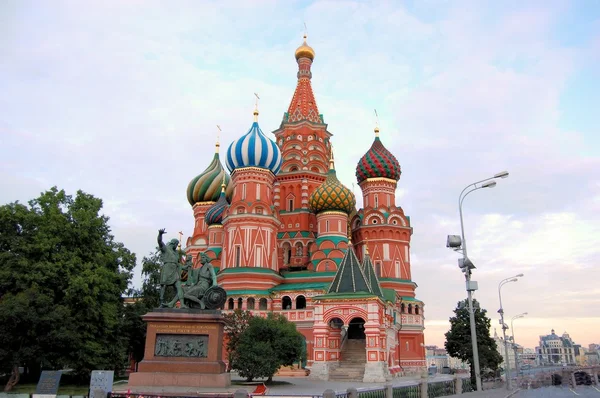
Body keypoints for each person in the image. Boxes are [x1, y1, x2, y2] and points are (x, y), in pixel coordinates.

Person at [157, 228, 187, 308]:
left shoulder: (175, 253)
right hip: (167, 269)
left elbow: (179, 262)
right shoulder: (166, 249)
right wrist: (160, 234)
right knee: (164, 286)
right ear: (173, 243)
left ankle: (182, 304)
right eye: (176, 244)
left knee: (179, 287)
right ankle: (161, 302)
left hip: (175, 271)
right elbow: (160, 242)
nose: (176, 246)